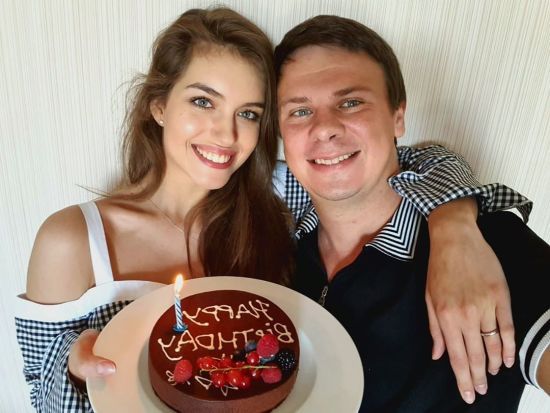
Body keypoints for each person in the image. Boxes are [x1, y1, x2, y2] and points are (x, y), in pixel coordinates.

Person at [14, 7, 528, 413]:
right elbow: (39, 391)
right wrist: (75, 366)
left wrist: (453, 225)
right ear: (158, 105)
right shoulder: (74, 240)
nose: (225, 133)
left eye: (249, 113)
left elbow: (411, 160)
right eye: (202, 101)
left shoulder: (277, 202)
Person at [275, 14, 550, 412]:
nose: (324, 128)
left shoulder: (485, 245)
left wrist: (453, 222)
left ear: (398, 117)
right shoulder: (272, 244)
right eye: (300, 112)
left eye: (351, 102)